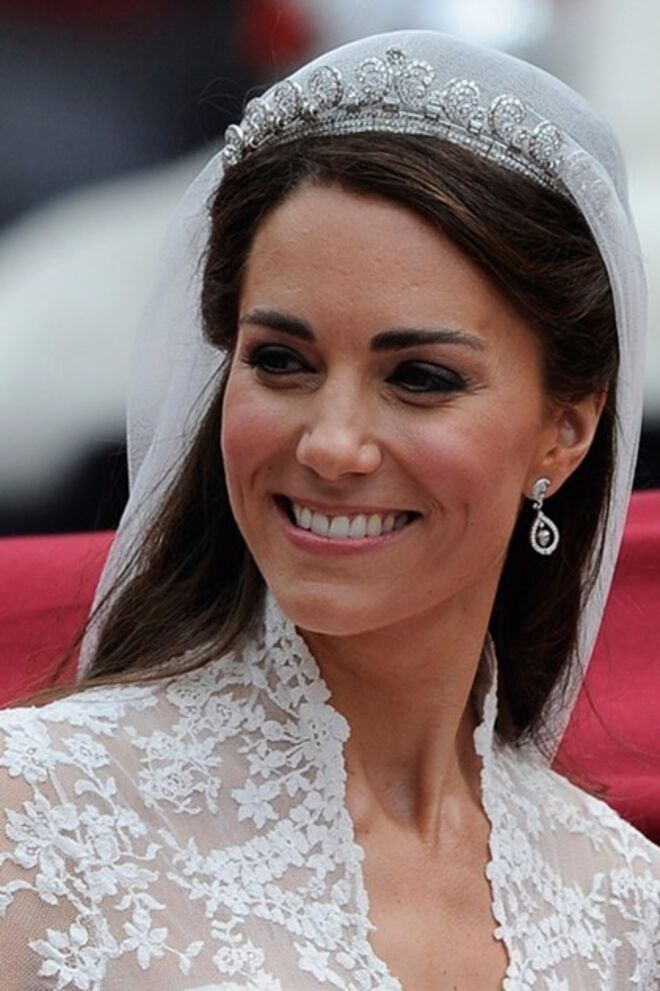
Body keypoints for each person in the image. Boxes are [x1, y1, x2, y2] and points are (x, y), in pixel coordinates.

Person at [0, 29, 658, 991]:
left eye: (421, 378)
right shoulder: (34, 816)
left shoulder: (629, 915)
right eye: (282, 361)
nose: (330, 443)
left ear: (565, 428)